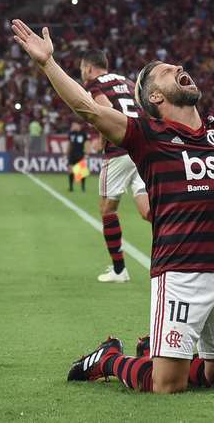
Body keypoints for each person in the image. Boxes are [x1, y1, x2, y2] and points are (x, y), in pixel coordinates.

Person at [11, 19, 214, 394]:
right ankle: (108, 360)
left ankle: (157, 351)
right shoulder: (146, 136)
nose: (179, 69)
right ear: (155, 97)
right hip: (179, 272)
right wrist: (47, 64)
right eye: (168, 72)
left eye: (177, 67)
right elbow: (87, 108)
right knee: (167, 386)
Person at [80, 49, 151, 283]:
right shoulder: (128, 82)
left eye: (82, 69)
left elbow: (104, 113)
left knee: (107, 209)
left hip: (120, 150)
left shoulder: (94, 85)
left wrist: (102, 141)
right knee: (148, 211)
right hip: (143, 147)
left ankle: (119, 270)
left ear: (89, 68)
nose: (82, 74)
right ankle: (184, 241)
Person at [67, 121, 89, 192]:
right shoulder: (71, 133)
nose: (73, 126)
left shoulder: (83, 134)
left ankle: (83, 187)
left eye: (74, 125)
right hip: (72, 154)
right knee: (70, 170)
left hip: (80, 154)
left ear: (78, 125)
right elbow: (69, 144)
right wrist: (66, 153)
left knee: (81, 172)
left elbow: (87, 144)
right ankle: (71, 188)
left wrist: (86, 154)